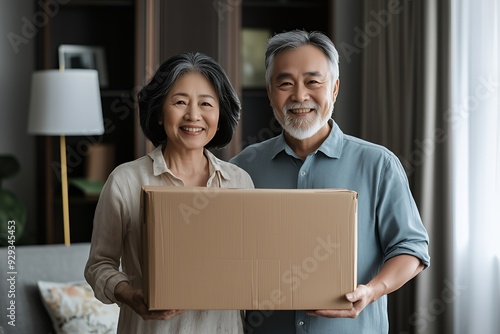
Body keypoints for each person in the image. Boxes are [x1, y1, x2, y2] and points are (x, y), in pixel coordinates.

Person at [230, 30, 430, 333]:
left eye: (313, 82)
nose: (299, 96)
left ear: (334, 89)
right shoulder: (244, 167)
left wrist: (372, 290)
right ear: (270, 93)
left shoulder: (378, 164)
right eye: (285, 83)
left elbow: (412, 248)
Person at [85, 52, 254, 334]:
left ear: (220, 115)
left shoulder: (239, 181)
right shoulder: (126, 180)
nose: (193, 116)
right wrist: (130, 295)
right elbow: (99, 265)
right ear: (160, 113)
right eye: (180, 102)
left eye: (206, 104)